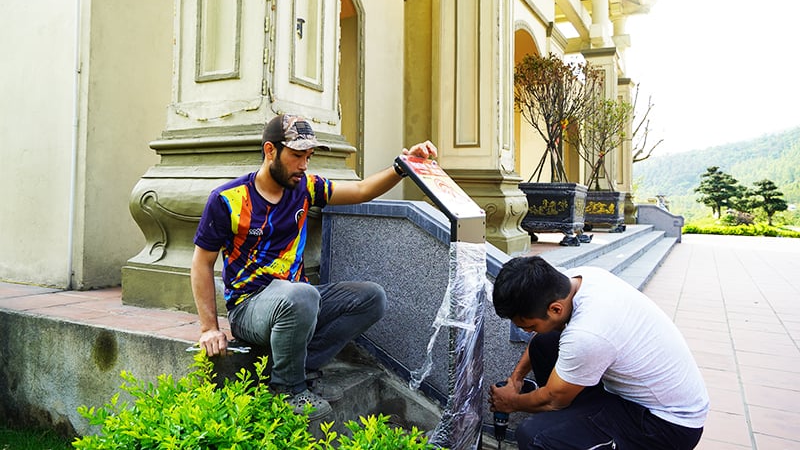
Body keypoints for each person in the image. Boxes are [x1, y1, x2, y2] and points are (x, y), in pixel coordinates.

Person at [191, 113, 437, 421]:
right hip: (249, 307)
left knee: (371, 297)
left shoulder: (305, 188)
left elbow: (360, 191)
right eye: (296, 156)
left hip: (296, 300)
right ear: (270, 151)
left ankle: (301, 365)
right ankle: (288, 389)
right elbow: (202, 262)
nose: (304, 165)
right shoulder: (228, 200)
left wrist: (403, 166)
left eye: (308, 156)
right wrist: (209, 328)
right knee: (302, 296)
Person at [489, 256, 709, 449]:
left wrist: (511, 403)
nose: (526, 332)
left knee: (536, 437)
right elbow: (541, 337)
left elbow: (553, 401)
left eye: (529, 326)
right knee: (544, 343)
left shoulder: (588, 333)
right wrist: (516, 378)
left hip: (665, 426)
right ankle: (577, 429)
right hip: (629, 396)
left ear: (555, 309)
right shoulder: (581, 279)